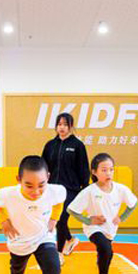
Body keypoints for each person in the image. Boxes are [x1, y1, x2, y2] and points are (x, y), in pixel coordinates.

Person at [67, 153, 138, 274]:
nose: (108, 173)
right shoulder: (89, 191)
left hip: (111, 228)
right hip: (93, 228)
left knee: (106, 253)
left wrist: (122, 217)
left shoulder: (121, 189)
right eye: (104, 170)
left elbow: (133, 203)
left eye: (111, 169)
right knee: (105, 248)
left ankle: (101, 260)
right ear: (94, 172)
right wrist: (89, 220)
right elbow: (71, 210)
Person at [41, 112, 90, 264]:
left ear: (70, 126)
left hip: (71, 188)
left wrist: (85, 189)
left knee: (61, 218)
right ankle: (70, 239)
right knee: (56, 219)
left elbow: (83, 168)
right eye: (59, 124)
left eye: (65, 124)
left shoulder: (77, 145)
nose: (62, 127)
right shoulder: (50, 145)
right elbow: (43, 166)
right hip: (52, 188)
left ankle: (59, 253)